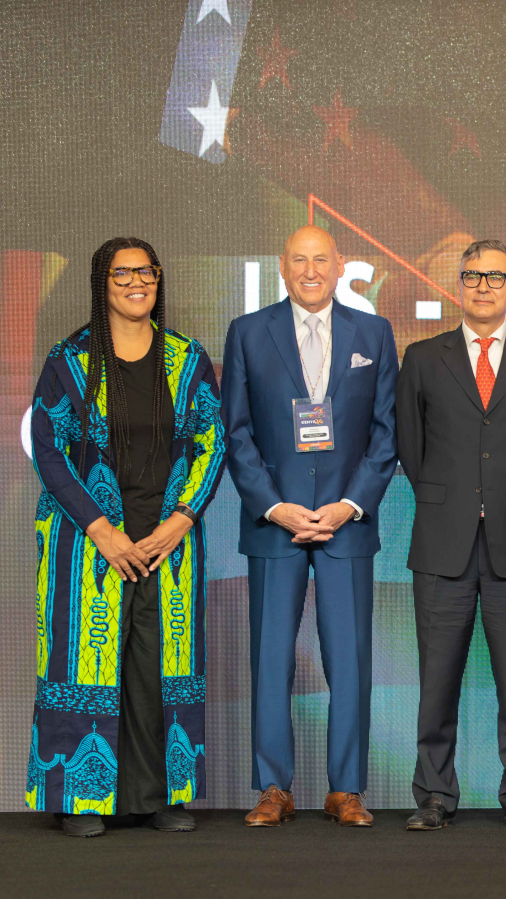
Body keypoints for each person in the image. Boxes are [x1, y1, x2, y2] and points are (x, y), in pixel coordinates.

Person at [26, 237, 226, 837]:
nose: (136, 282)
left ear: (159, 280)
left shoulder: (187, 360)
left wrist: (180, 521)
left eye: (146, 272)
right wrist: (100, 528)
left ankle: (159, 796)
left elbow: (212, 444)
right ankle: (82, 799)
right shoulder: (70, 360)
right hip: (87, 541)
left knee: (155, 665)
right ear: (101, 282)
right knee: (88, 664)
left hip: (167, 539)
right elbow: (49, 450)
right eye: (122, 274)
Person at [222, 226, 398, 827]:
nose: (310, 269)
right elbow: (236, 433)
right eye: (298, 259)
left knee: (349, 658)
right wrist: (274, 506)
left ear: (340, 265)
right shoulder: (248, 332)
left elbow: (386, 433)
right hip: (276, 523)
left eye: (321, 259)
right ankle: (274, 787)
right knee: (271, 656)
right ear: (281, 266)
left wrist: (350, 504)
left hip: (347, 522)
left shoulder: (373, 332)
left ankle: (346, 789)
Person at [396, 240, 506, 831]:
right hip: (443, 542)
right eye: (473, 276)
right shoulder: (422, 357)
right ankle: (434, 795)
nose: (484, 286)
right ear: (457, 285)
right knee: (436, 677)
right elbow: (410, 450)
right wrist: (457, 501)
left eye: (496, 277)